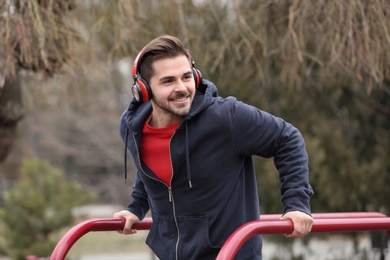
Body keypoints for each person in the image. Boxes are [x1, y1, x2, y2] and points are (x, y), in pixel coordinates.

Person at [113, 34, 314, 260]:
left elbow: (287, 138)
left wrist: (296, 203)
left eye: (187, 77)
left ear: (197, 77)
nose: (182, 88)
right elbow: (151, 168)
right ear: (144, 89)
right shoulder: (133, 127)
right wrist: (136, 207)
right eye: (168, 81)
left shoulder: (225, 117)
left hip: (231, 254)